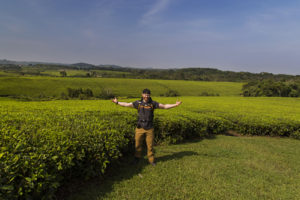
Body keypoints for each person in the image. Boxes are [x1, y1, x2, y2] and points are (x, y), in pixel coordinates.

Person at [112, 88, 182, 166]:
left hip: (150, 128)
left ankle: (151, 160)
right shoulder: (138, 103)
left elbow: (164, 106)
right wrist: (117, 102)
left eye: (148, 95)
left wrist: (175, 105)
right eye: (145, 94)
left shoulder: (153, 103)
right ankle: (137, 158)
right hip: (139, 127)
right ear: (142, 95)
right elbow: (127, 104)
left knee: (150, 145)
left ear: (149, 95)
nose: (146, 96)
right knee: (138, 144)